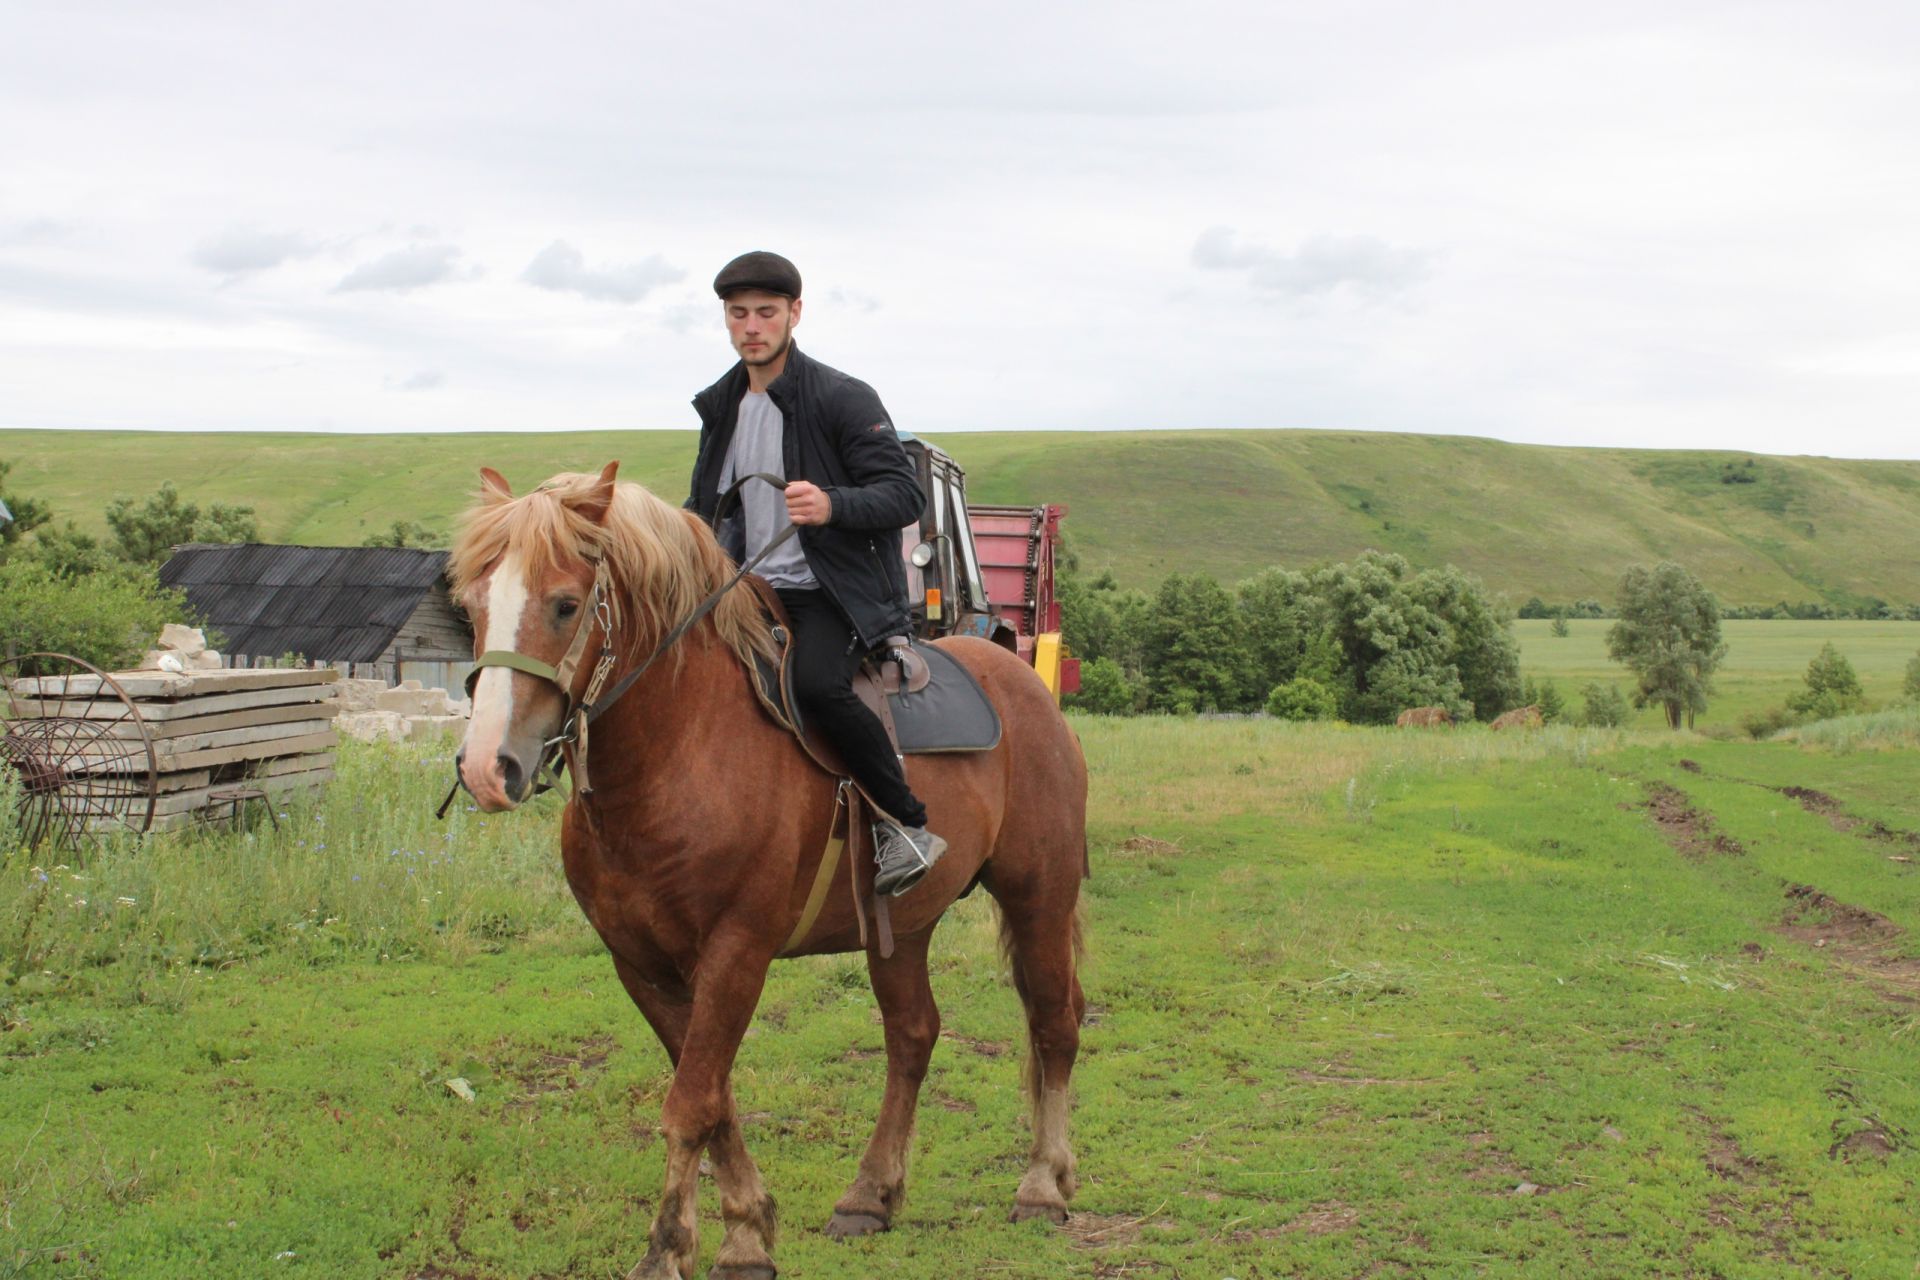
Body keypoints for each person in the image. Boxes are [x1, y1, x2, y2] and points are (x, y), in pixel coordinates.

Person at [685, 250, 947, 896]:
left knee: (817, 683)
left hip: (834, 594)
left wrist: (832, 506)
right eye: (738, 314)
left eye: (766, 313)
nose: (752, 326)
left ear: (794, 314)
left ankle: (905, 824)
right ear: (726, 319)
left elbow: (904, 495)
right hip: (748, 588)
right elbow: (705, 506)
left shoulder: (842, 397)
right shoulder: (721, 404)